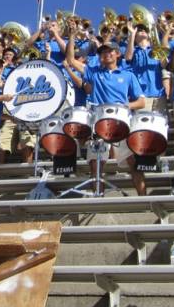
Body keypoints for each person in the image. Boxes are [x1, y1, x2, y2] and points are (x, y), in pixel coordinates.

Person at [65, 22, 147, 195]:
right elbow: (71, 60)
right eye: (102, 52)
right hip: (98, 118)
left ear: (117, 54)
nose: (106, 54)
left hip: (123, 119)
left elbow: (141, 102)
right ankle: (98, 198)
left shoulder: (128, 75)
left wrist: (126, 105)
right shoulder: (94, 72)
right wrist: (72, 36)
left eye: (109, 51)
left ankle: (143, 198)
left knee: (133, 161)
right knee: (96, 162)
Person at [123, 20, 167, 114]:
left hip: (159, 95)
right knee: (142, 126)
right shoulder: (134, 50)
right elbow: (128, 57)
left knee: (159, 127)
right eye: (139, 30)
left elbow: (164, 65)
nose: (143, 31)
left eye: (145, 30)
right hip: (141, 96)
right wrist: (132, 34)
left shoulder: (155, 49)